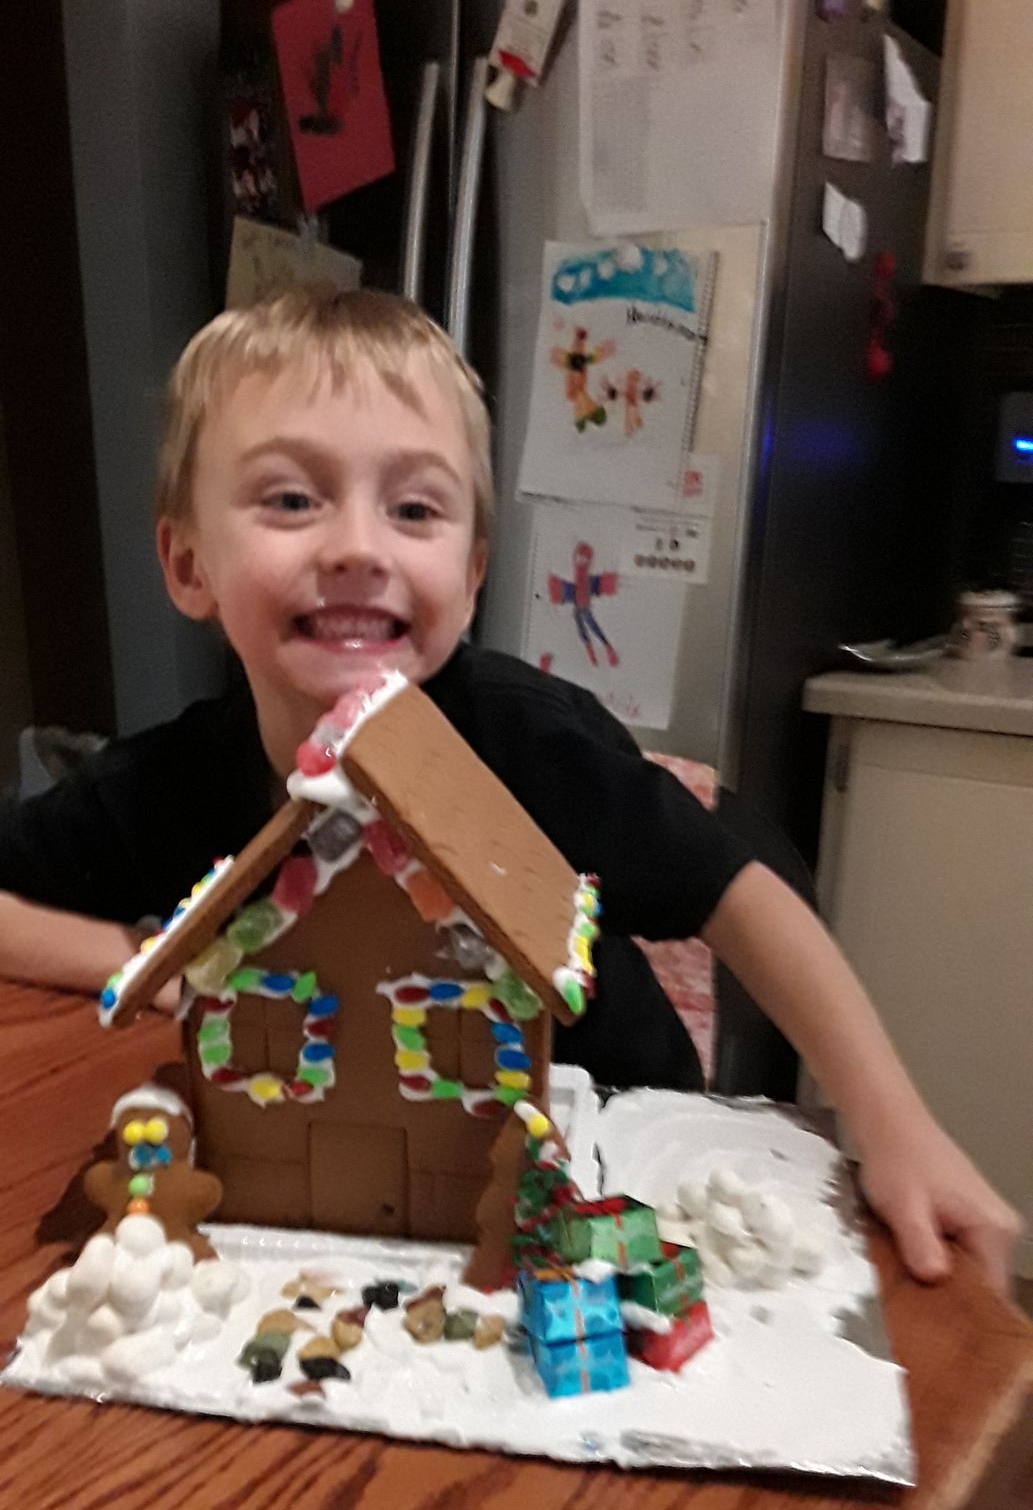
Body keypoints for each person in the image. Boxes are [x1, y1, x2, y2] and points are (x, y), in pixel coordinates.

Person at [0, 288, 1019, 1293]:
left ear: (473, 567)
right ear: (187, 563)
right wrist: (136, 956)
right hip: (336, 1196)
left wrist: (893, 1128)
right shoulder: (167, 783)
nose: (358, 545)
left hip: (608, 1156)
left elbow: (739, 887)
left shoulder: (530, 742)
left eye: (413, 508)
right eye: (290, 498)